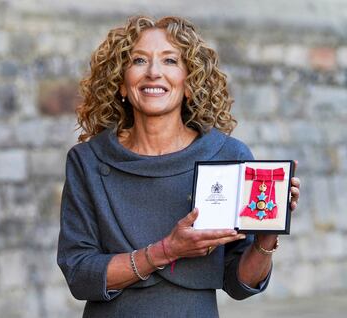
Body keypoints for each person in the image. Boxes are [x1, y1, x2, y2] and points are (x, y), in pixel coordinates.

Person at [57, 15, 301, 318]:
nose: (154, 73)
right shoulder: (88, 160)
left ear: (189, 83)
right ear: (121, 83)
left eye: (170, 61)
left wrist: (267, 232)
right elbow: (80, 274)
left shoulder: (227, 155)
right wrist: (167, 250)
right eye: (138, 60)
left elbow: (240, 284)